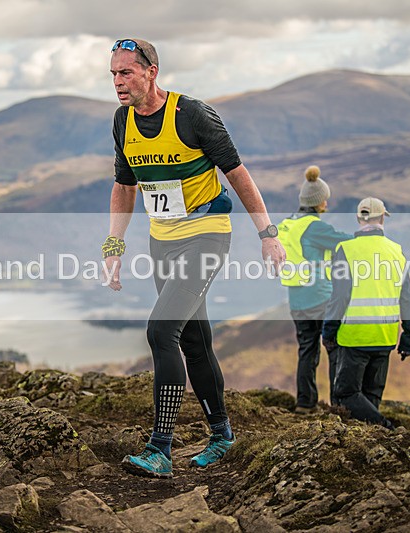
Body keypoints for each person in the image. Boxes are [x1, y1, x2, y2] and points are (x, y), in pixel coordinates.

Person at [104, 38, 285, 478]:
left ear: (152, 71)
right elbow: (125, 186)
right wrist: (114, 246)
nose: (118, 82)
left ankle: (160, 448)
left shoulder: (192, 115)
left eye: (126, 72)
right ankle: (222, 435)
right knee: (193, 341)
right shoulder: (121, 121)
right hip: (161, 240)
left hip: (205, 235)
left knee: (161, 330)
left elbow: (237, 174)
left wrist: (267, 234)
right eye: (113, 74)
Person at [322, 198, 410, 428]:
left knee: (345, 394)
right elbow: (407, 299)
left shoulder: (346, 250)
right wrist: (409, 336)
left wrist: (329, 330)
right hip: (385, 336)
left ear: (358, 218)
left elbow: (340, 297)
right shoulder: (396, 252)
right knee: (371, 394)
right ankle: (373, 440)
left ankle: (386, 428)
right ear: (383, 218)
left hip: (354, 336)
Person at [277, 165, 351, 414]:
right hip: (321, 297)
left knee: (306, 350)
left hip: (297, 299)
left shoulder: (288, 224)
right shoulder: (315, 227)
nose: (327, 204)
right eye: (324, 200)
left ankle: (305, 403)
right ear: (317, 202)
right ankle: (338, 404)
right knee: (334, 347)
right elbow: (348, 241)